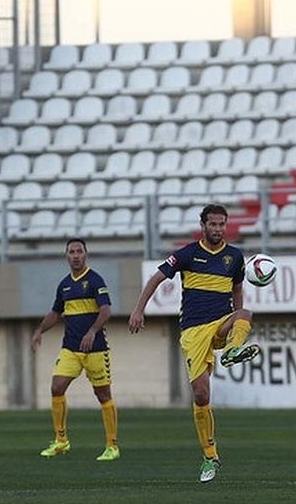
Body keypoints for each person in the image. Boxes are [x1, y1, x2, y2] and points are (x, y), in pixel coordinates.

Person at [128, 203, 262, 483]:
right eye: (212, 224)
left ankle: (232, 350)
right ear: (203, 225)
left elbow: (238, 290)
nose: (217, 229)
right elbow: (156, 278)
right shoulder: (187, 254)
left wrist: (235, 319)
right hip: (192, 332)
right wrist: (139, 310)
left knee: (246, 313)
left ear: (226, 225)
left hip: (220, 322)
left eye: (221, 224)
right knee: (202, 395)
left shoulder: (235, 257)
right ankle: (210, 455)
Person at [33, 238, 120, 461]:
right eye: (71, 252)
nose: (75, 255)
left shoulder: (94, 280)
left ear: (85, 254)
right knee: (56, 387)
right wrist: (39, 331)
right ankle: (61, 441)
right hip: (70, 348)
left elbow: (106, 310)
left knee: (103, 395)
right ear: (66, 256)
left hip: (96, 349)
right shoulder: (64, 285)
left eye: (79, 251)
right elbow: (55, 313)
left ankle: (112, 445)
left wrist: (92, 331)